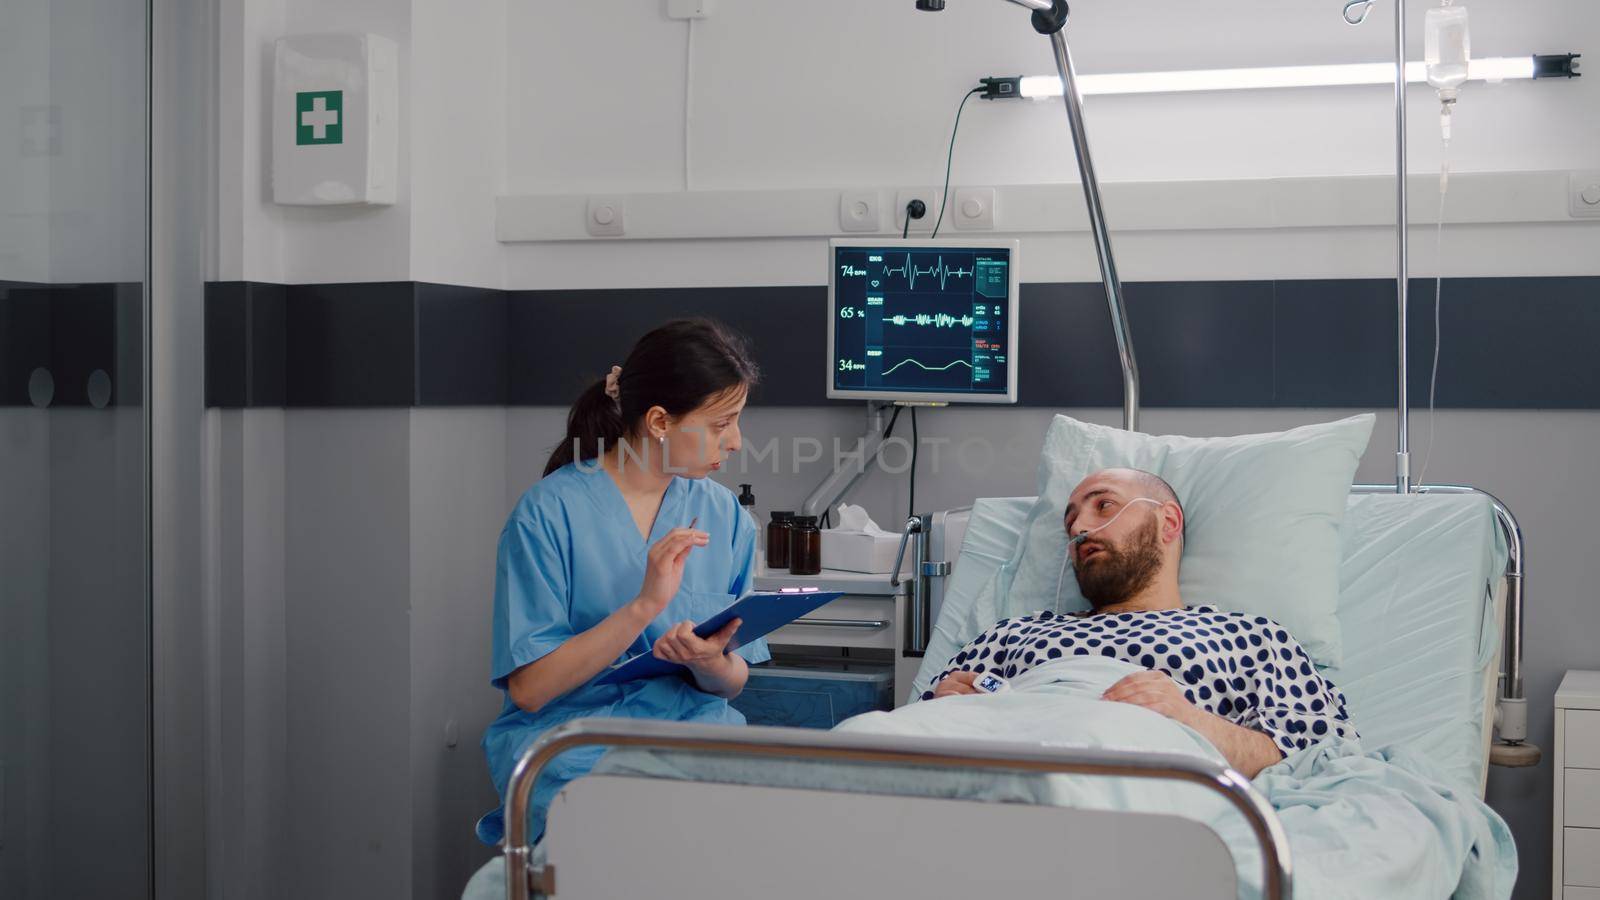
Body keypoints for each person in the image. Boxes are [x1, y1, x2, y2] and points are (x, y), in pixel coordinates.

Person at [476, 318, 767, 844]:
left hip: (694, 740)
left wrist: (710, 663)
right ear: (659, 420)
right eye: (722, 424)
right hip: (573, 745)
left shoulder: (724, 516)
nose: (737, 442)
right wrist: (644, 606)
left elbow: (736, 680)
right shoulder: (548, 515)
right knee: (636, 833)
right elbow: (531, 690)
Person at [922, 467, 1357, 778]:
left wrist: (1191, 721)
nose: (1080, 529)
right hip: (994, 766)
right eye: (1070, 519)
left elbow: (1322, 752)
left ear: (1168, 522)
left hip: (1124, 780)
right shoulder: (1014, 631)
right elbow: (915, 728)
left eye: (1103, 505)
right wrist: (946, 704)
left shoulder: (1248, 636)